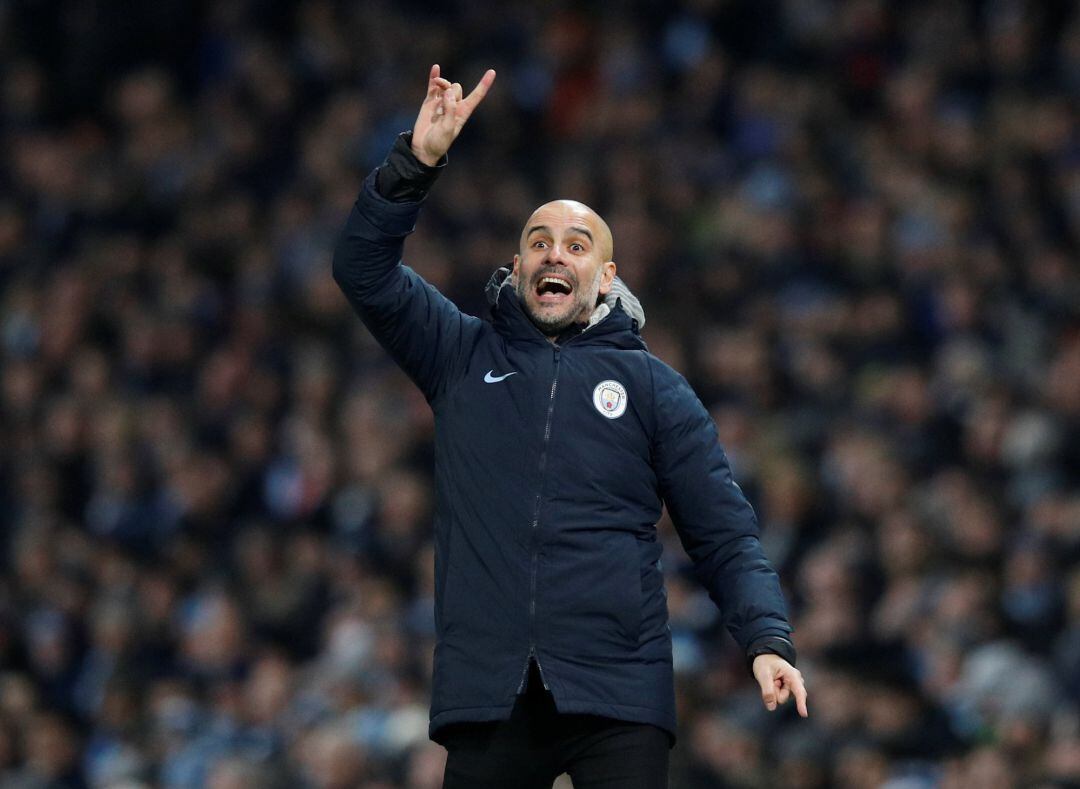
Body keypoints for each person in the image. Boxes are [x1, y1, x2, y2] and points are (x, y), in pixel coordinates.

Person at [332, 65, 807, 789]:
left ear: (607, 275)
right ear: (517, 265)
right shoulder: (459, 354)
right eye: (539, 241)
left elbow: (724, 532)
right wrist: (415, 162)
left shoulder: (654, 388)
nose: (556, 252)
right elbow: (361, 268)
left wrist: (766, 637)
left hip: (619, 689)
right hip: (489, 692)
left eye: (577, 244)